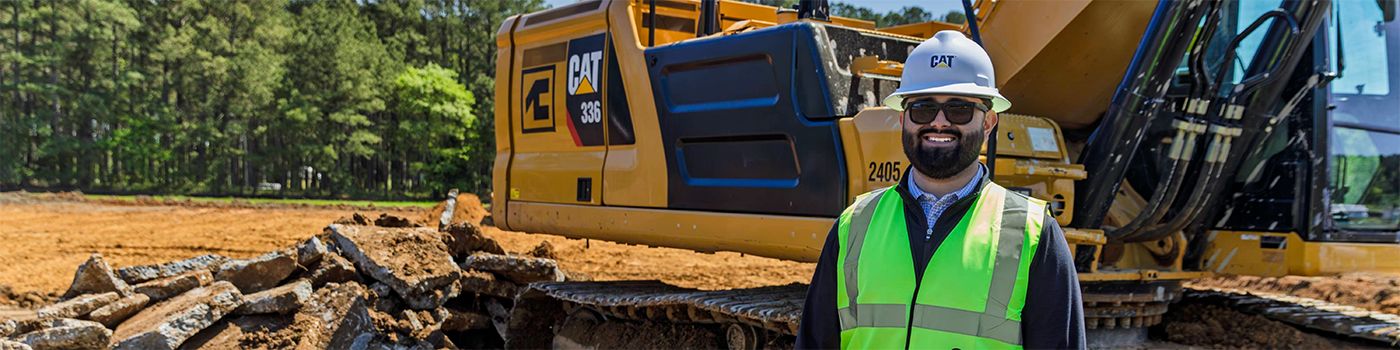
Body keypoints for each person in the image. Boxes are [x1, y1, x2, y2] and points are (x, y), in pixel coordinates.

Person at [795, 30, 1086, 349]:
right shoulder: (854, 225)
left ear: (988, 123)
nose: (939, 123)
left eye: (959, 109)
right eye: (923, 108)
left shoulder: (1032, 233)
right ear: (904, 119)